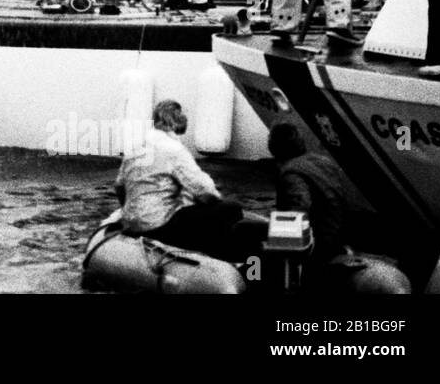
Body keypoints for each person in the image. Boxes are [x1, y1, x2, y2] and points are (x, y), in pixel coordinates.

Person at [267, 123, 399, 286]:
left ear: (274, 147)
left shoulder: (290, 172)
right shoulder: (324, 161)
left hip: (321, 242)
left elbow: (299, 206)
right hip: (345, 233)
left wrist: (282, 247)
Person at [116, 100, 247, 261]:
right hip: (160, 226)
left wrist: (130, 213)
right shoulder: (174, 149)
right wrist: (214, 200)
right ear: (179, 122)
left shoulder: (135, 148)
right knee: (231, 209)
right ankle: (224, 256)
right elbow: (204, 189)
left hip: (132, 225)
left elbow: (119, 187)